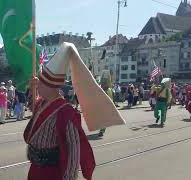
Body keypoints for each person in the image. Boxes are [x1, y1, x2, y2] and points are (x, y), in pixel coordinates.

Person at [24, 42, 125, 180]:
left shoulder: (66, 112)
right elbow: (33, 108)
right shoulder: (42, 102)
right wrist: (32, 88)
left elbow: (73, 151)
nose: (37, 84)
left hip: (52, 172)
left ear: (51, 86)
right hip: (35, 168)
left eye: (40, 82)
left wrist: (69, 178)